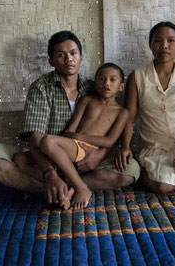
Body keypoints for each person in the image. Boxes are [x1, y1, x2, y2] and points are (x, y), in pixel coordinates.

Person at [0, 31, 140, 207]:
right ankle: (51, 189)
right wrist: (49, 172)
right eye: (61, 55)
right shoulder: (42, 88)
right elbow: (36, 137)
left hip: (84, 155)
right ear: (51, 61)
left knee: (131, 171)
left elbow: (114, 127)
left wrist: (99, 154)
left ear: (81, 57)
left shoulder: (93, 87)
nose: (69, 59)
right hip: (46, 155)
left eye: (73, 53)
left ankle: (59, 188)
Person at [115, 21, 175, 194]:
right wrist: (125, 146)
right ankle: (146, 168)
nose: (164, 46)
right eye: (158, 41)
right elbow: (128, 118)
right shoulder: (137, 77)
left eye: (170, 41)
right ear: (150, 45)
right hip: (154, 147)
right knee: (164, 187)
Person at [39, 63, 128, 209]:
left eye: (112, 80)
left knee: (47, 140)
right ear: (95, 82)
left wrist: (79, 137)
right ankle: (67, 188)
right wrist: (72, 139)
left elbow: (110, 141)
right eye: (101, 79)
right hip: (73, 147)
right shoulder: (86, 100)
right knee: (24, 156)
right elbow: (70, 131)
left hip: (90, 150)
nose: (106, 83)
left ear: (121, 86)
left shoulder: (122, 112)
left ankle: (79, 187)